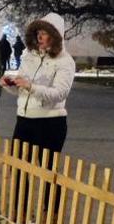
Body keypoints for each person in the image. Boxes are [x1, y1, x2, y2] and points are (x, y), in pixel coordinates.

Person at [6, 13, 76, 157]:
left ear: (55, 36)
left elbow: (60, 93)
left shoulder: (65, 61)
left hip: (49, 123)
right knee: (18, 172)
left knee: (47, 174)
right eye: (38, 33)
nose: (40, 37)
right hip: (24, 120)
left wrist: (31, 86)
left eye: (44, 33)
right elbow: (23, 89)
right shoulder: (29, 56)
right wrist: (10, 84)